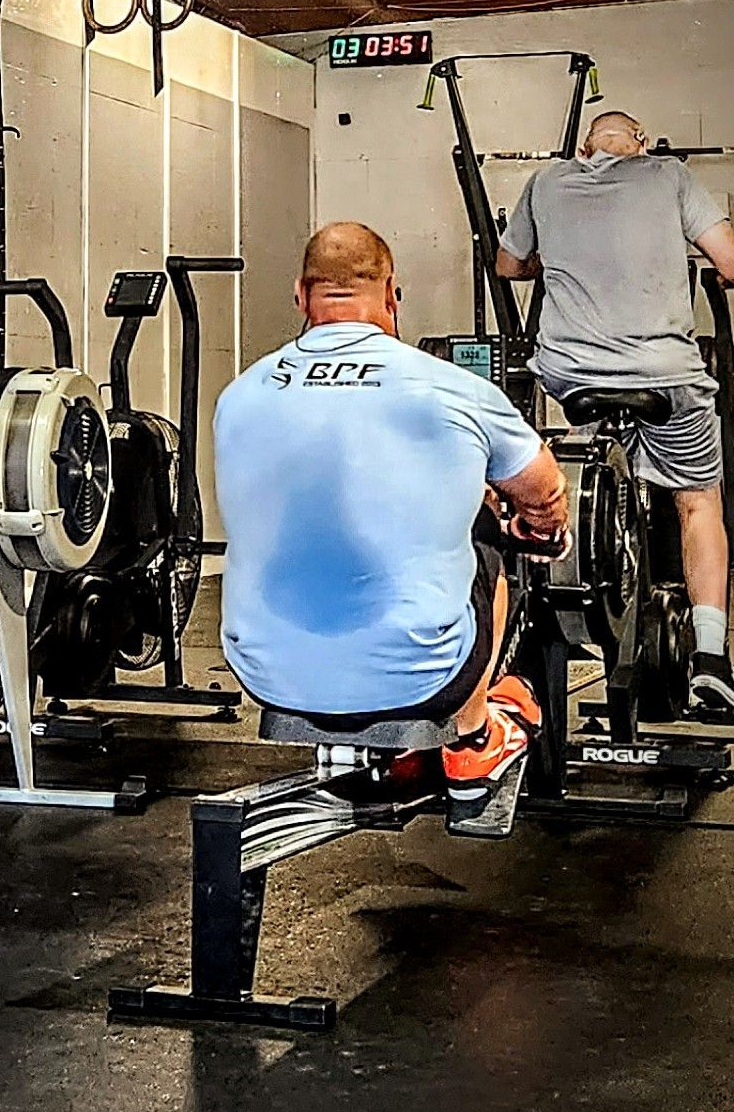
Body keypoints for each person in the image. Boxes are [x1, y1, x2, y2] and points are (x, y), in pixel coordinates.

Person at [215, 222, 570, 820]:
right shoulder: (451, 388)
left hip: (264, 677)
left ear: (301, 296)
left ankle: (401, 739)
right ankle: (476, 734)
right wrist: (540, 529)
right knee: (486, 542)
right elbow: (545, 488)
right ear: (391, 293)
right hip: (423, 680)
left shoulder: (240, 393)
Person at [496, 110, 734, 720]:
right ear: (639, 144)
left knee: (586, 487)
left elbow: (509, 266)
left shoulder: (546, 180)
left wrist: (552, 260)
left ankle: (567, 628)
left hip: (573, 378)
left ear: (588, 147)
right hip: (663, 378)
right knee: (697, 501)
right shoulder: (669, 174)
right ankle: (711, 661)